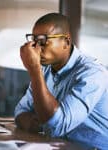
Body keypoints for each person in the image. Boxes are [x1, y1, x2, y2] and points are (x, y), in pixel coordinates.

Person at [14, 12, 108, 149]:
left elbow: (56, 126)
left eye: (43, 41)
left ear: (66, 42)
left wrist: (34, 70)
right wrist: (41, 125)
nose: (37, 49)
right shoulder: (45, 71)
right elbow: (20, 110)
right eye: (34, 41)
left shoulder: (92, 74)